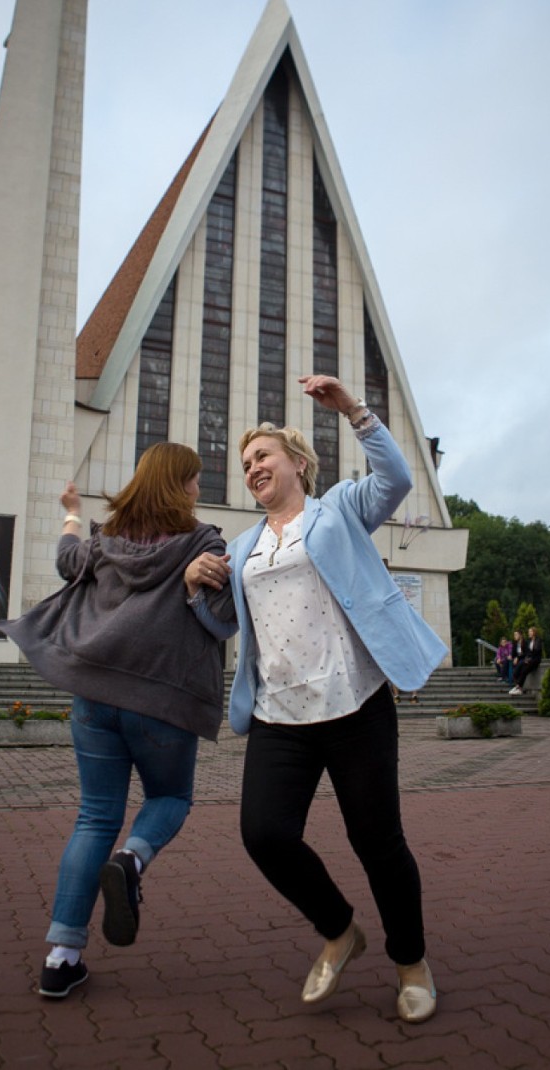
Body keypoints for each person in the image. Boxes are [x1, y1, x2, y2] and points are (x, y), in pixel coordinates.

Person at [186, 375, 447, 1023]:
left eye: (263, 457)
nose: (253, 469)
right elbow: (223, 623)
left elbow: (397, 480)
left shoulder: (340, 510)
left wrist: (355, 412)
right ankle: (339, 929)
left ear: (297, 463)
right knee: (264, 834)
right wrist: (195, 583)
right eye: (246, 464)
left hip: (355, 703)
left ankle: (411, 962)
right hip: (280, 715)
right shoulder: (243, 547)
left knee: (377, 841)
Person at [0, 442, 236, 1001]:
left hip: (94, 694)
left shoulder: (104, 541)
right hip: (161, 701)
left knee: (94, 816)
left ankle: (61, 957)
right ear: (180, 484)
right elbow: (223, 619)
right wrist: (196, 580)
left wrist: (72, 513)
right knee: (170, 798)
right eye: (196, 479)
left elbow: (65, 559)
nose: (200, 488)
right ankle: (132, 860)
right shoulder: (203, 542)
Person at [508, 626, 542, 694]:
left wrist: (528, 659)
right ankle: (519, 687)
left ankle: (518, 687)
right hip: (529, 659)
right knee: (521, 669)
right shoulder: (529, 641)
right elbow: (528, 652)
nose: (529, 633)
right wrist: (527, 658)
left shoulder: (538, 640)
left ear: (534, 632)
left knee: (524, 669)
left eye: (530, 632)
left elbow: (536, 651)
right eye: (528, 632)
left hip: (535, 659)